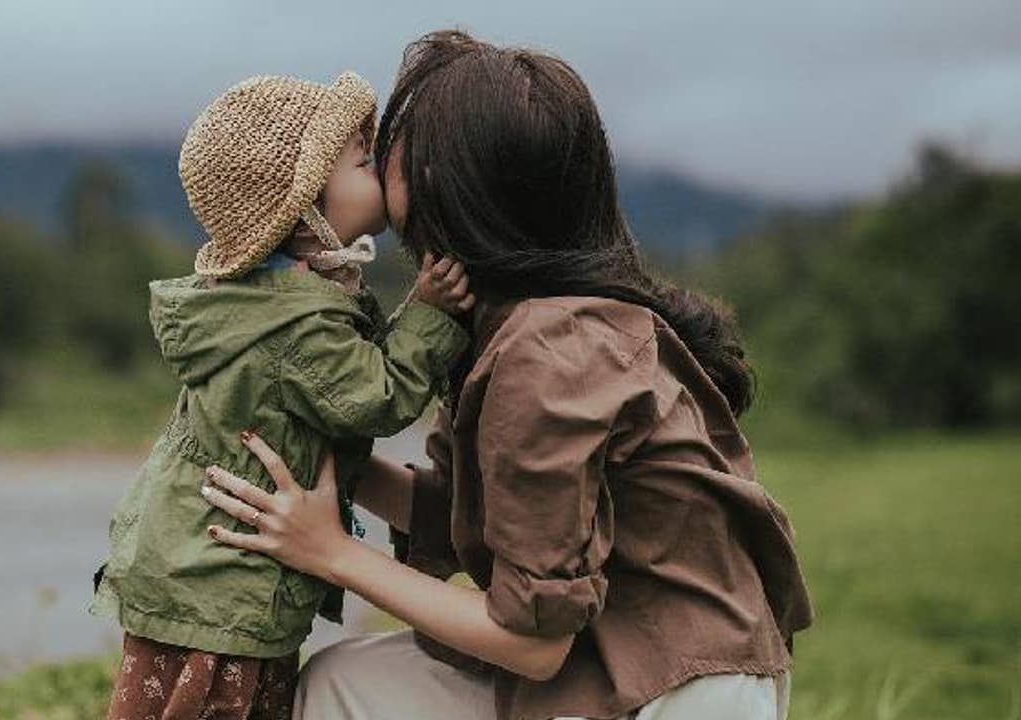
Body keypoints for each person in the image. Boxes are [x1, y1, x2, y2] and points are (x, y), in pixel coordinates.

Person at [199, 30, 814, 720]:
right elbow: (483, 516)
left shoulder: (548, 352)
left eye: (388, 149)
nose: (372, 163)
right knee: (342, 681)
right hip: (628, 658)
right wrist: (322, 445)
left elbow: (533, 644)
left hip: (678, 691)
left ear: (444, 179)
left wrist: (331, 552)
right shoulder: (521, 320)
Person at [91, 70, 475, 720]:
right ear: (304, 210)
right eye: (363, 160)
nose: (381, 167)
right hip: (219, 595)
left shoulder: (280, 298)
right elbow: (375, 396)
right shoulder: (295, 324)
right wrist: (433, 315)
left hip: (206, 582)